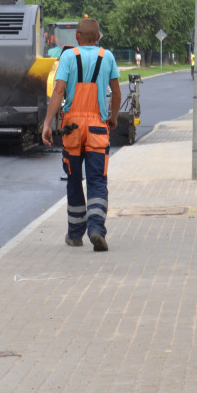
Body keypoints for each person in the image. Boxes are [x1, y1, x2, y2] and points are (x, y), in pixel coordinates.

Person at [41, 18, 121, 251]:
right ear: (98, 38)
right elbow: (116, 93)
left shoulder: (67, 57)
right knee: (97, 180)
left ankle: (75, 234)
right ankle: (96, 229)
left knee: (75, 181)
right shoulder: (107, 57)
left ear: (77, 37)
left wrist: (47, 123)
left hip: (72, 129)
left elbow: (58, 91)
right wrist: (113, 117)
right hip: (97, 127)